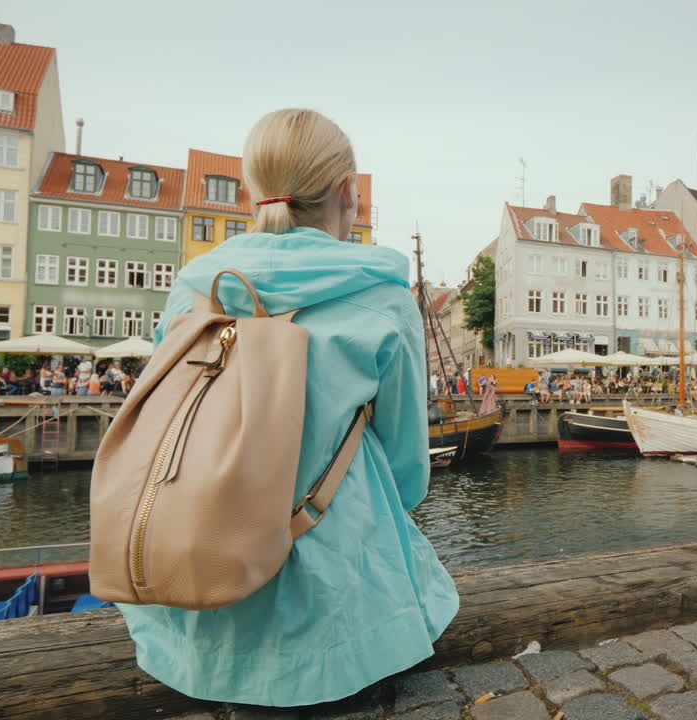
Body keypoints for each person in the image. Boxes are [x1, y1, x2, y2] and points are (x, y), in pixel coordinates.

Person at [115, 109, 457, 708]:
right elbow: (406, 460)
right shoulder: (380, 293)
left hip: (200, 592)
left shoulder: (196, 287)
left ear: (251, 189)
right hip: (336, 602)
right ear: (348, 192)